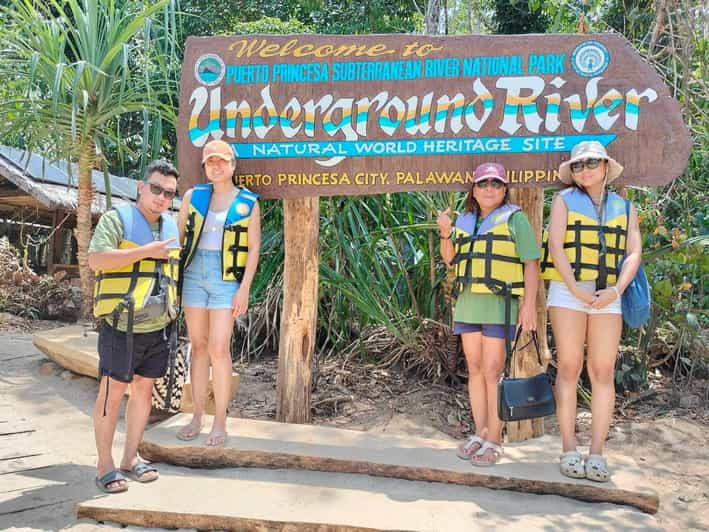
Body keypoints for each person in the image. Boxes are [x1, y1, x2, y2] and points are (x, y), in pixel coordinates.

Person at [541, 140, 641, 482]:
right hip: (570, 293)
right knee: (568, 366)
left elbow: (633, 253)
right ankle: (569, 448)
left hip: (608, 295)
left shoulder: (625, 207)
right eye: (579, 165)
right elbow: (556, 245)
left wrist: (615, 289)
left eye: (591, 163)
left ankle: (596, 453)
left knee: (602, 370)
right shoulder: (564, 200)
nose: (585, 170)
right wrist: (573, 288)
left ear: (605, 167)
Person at [437, 162, 540, 466]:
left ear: (505, 189)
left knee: (494, 373)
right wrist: (445, 232)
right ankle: (480, 432)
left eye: (496, 184)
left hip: (500, 303)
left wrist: (528, 305)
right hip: (469, 301)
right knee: (476, 369)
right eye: (483, 184)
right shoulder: (466, 220)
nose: (489, 189)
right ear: (474, 189)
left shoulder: (515, 219)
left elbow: (530, 263)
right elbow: (450, 259)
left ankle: (495, 439)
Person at [88, 160, 180, 493]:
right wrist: (146, 252)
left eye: (168, 193)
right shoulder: (117, 220)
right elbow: (96, 260)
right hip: (121, 324)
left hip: (158, 326)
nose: (161, 197)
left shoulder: (171, 227)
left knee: (143, 391)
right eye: (155, 189)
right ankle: (105, 464)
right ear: (142, 187)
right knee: (111, 394)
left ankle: (130, 458)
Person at [176, 139, 261, 447]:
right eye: (211, 162)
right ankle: (198, 415)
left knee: (218, 349)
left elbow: (253, 250)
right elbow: (179, 237)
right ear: (205, 166)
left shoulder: (248, 202)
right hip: (193, 273)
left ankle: (220, 420)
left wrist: (245, 289)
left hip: (226, 278)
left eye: (222, 161)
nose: (216, 166)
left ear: (233, 166)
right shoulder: (193, 196)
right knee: (197, 346)